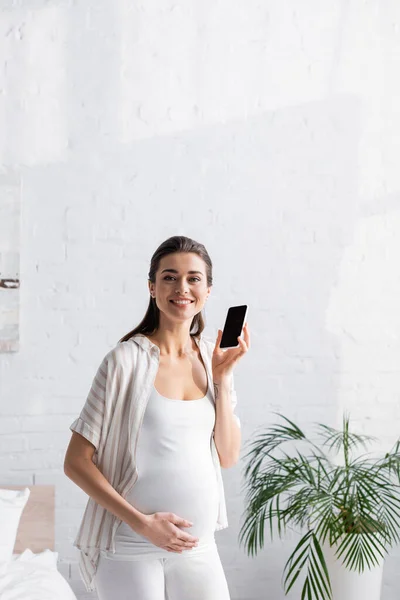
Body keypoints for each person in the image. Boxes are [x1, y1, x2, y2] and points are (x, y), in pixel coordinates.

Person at [64, 235, 250, 600]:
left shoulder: (211, 359)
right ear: (152, 287)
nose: (182, 287)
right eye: (169, 277)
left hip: (199, 547)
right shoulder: (125, 361)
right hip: (130, 547)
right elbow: (75, 462)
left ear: (208, 290)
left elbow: (228, 456)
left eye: (194, 278)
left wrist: (223, 380)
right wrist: (144, 524)